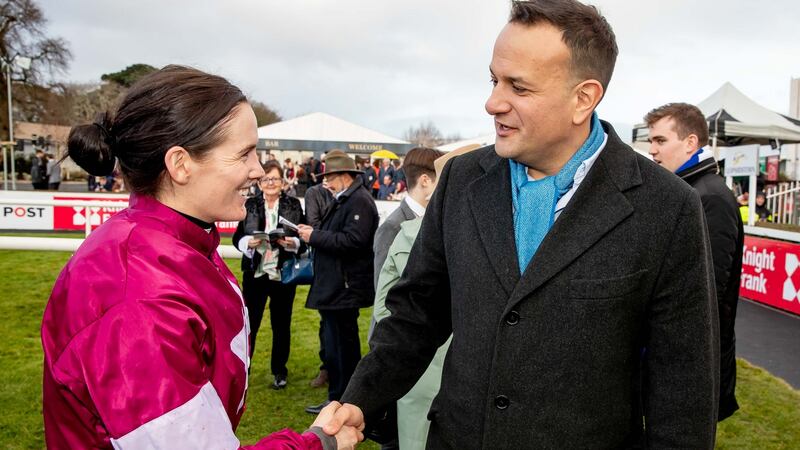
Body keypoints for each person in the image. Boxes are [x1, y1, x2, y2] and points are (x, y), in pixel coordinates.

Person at [320, 2, 719, 448]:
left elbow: (682, 392)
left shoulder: (667, 207)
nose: (493, 102)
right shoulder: (461, 178)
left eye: (519, 87)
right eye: (494, 79)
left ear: (583, 98)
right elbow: (417, 313)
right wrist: (361, 398)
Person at [41, 65, 360, 450]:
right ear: (180, 164)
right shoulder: (138, 297)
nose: (258, 170)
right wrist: (317, 443)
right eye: (243, 153)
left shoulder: (177, 241)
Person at [646, 102, 744, 421]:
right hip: (673, 357)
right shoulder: (688, 190)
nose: (652, 150)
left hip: (692, 363)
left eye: (661, 141)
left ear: (690, 143)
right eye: (651, 141)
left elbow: (706, 291)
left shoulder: (710, 197)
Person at [296, 150, 379, 416]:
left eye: (329, 178)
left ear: (344, 176)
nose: (326, 184)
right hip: (337, 288)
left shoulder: (359, 202)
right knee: (336, 348)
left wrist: (315, 236)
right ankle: (337, 400)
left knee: (343, 350)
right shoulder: (348, 199)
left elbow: (354, 241)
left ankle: (344, 401)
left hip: (345, 288)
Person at [233, 159, 306, 390]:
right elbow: (237, 238)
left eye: (274, 178)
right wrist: (249, 242)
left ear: (283, 182)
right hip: (256, 273)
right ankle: (245, 369)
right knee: (250, 323)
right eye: (266, 179)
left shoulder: (293, 204)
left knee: (281, 323)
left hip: (282, 274)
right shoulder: (250, 204)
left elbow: (302, 239)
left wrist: (291, 242)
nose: (270, 183)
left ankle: (279, 371)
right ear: (260, 182)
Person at [303, 173, 336, 389]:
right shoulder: (314, 193)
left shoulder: (352, 197)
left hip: (341, 265)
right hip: (323, 261)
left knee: (337, 323)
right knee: (326, 319)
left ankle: (335, 371)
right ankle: (327, 367)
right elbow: (314, 224)